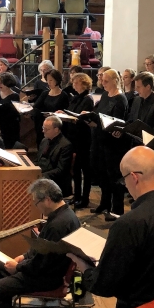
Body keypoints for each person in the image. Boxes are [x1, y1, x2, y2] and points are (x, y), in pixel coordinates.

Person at [72, 147, 154, 308]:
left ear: (134, 177)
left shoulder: (129, 223)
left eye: (124, 180)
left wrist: (84, 267)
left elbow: (104, 286)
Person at [0, 179, 80, 308]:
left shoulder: (57, 225)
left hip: (46, 278)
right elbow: (40, 250)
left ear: (47, 199)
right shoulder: (65, 215)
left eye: (37, 202)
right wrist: (22, 257)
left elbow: (41, 265)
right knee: (1, 269)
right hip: (46, 270)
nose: (36, 206)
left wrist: (18, 267)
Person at [89, 68, 128, 217]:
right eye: (102, 80)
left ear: (115, 81)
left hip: (112, 144)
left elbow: (116, 123)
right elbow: (99, 115)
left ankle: (117, 210)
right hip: (100, 139)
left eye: (106, 81)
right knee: (101, 174)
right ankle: (104, 203)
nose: (102, 83)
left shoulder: (120, 99)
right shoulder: (105, 95)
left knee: (113, 176)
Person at [67, 72, 96, 208]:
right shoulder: (75, 98)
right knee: (76, 169)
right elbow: (71, 112)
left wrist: (75, 118)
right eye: (73, 82)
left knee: (85, 169)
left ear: (84, 83)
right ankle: (77, 195)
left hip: (83, 138)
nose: (74, 85)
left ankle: (85, 198)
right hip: (74, 137)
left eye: (76, 82)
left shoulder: (88, 99)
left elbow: (85, 119)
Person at [36, 116, 74, 196]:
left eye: (46, 129)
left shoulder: (65, 145)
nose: (43, 131)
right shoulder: (44, 141)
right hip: (41, 175)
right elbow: (38, 161)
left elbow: (61, 170)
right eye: (43, 128)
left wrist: (42, 176)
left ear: (56, 130)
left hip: (56, 182)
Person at [32, 69, 70, 144]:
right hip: (43, 125)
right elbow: (36, 107)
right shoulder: (45, 93)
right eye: (47, 80)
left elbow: (66, 112)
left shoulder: (63, 95)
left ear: (57, 80)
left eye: (51, 80)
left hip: (56, 128)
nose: (48, 83)